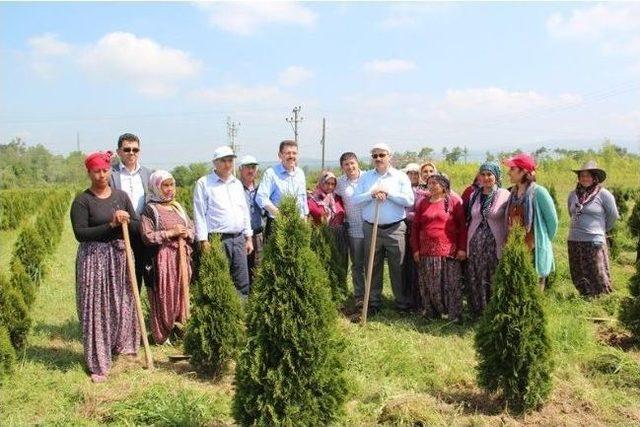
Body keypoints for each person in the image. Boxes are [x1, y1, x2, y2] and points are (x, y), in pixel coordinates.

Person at [70, 151, 140, 383]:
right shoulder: (83, 200)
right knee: (97, 309)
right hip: (94, 259)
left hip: (119, 256)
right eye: (96, 171)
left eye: (105, 170)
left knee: (121, 302)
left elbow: (137, 226)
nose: (101, 175)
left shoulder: (121, 196)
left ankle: (122, 345)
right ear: (89, 173)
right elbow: (80, 233)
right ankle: (98, 362)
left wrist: (127, 220)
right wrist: (111, 224)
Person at [352, 143, 414, 315]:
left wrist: (388, 193)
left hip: (395, 228)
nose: (378, 158)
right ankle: (373, 303)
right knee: (372, 265)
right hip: (371, 228)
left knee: (398, 267)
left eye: (382, 155)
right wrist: (372, 194)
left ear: (389, 156)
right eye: (375, 156)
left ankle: (402, 304)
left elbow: (409, 201)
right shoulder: (365, 178)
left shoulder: (400, 176)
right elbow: (356, 199)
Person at [140, 170, 195, 345]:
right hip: (163, 260)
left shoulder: (178, 206)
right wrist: (171, 233)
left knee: (181, 291)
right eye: (165, 185)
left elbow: (192, 227)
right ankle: (163, 332)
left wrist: (187, 232)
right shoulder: (151, 209)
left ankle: (181, 330)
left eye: (172, 185)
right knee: (165, 293)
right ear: (156, 187)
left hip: (181, 257)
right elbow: (147, 236)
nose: (169, 189)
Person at [193, 146, 253, 297]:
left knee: (242, 281)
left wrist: (248, 237)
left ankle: (241, 315)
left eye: (230, 161)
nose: (228, 164)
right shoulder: (204, 183)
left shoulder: (237, 184)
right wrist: (203, 240)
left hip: (238, 239)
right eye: (223, 161)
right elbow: (199, 213)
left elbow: (244, 211)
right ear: (215, 163)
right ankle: (221, 317)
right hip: (217, 240)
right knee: (219, 279)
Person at [411, 174, 467, 322]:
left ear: (444, 186)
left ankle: (454, 315)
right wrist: (416, 249)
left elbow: (462, 227)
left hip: (449, 251)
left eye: (435, 183)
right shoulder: (423, 203)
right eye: (429, 183)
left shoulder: (453, 201)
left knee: (451, 284)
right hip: (426, 251)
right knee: (430, 284)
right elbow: (415, 227)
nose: (431, 186)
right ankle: (432, 312)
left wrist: (462, 248)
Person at [504, 153, 558, 287]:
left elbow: (553, 222)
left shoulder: (539, 193)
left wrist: (542, 239)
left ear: (523, 171)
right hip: (516, 246)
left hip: (534, 247)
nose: (508, 172)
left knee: (534, 287)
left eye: (512, 169)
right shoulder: (513, 193)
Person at [567, 161, 619, 297]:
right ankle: (585, 296)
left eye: (588, 176)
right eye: (582, 176)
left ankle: (603, 298)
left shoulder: (604, 194)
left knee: (598, 271)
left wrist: (601, 230)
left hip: (594, 239)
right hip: (574, 239)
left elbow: (613, 215)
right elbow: (571, 212)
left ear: (594, 178)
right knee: (578, 270)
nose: (584, 178)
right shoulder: (573, 195)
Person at [109, 133, 153, 289]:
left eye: (135, 149)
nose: (131, 153)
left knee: (141, 270)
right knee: (122, 272)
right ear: (119, 151)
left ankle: (138, 308)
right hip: (120, 230)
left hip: (142, 229)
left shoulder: (148, 174)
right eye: (127, 149)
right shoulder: (110, 174)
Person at [465, 162, 510, 317]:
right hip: (475, 244)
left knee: (492, 276)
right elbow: (470, 218)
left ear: (496, 176)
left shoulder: (504, 195)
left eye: (489, 174)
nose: (486, 178)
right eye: (483, 174)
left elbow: (509, 219)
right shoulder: (474, 195)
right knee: (476, 275)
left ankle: (493, 312)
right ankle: (477, 311)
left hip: (494, 245)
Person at [255, 140, 308, 239]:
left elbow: (303, 199)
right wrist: (280, 215)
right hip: (277, 225)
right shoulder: (271, 173)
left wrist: (304, 219)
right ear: (280, 155)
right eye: (288, 153)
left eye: (294, 153)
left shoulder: (300, 173)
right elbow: (261, 197)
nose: (291, 156)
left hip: (298, 224)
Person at [335, 152, 366, 311]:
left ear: (357, 163)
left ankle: (373, 296)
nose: (350, 167)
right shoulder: (340, 183)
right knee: (357, 264)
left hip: (371, 226)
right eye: (346, 164)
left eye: (352, 163)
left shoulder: (368, 177)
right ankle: (360, 296)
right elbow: (327, 192)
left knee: (373, 264)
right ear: (342, 167)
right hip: (354, 230)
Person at [402, 163, 427, 310]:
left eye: (415, 173)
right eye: (410, 173)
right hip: (406, 229)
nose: (413, 176)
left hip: (420, 231)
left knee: (418, 264)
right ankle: (408, 297)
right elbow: (402, 210)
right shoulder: (403, 189)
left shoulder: (424, 190)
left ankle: (420, 297)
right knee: (407, 263)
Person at [238, 155, 265, 286]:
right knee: (243, 270)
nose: (250, 171)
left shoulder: (261, 189)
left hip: (258, 235)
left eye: (253, 167)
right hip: (241, 237)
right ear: (240, 170)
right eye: (247, 167)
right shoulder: (235, 188)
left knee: (258, 270)